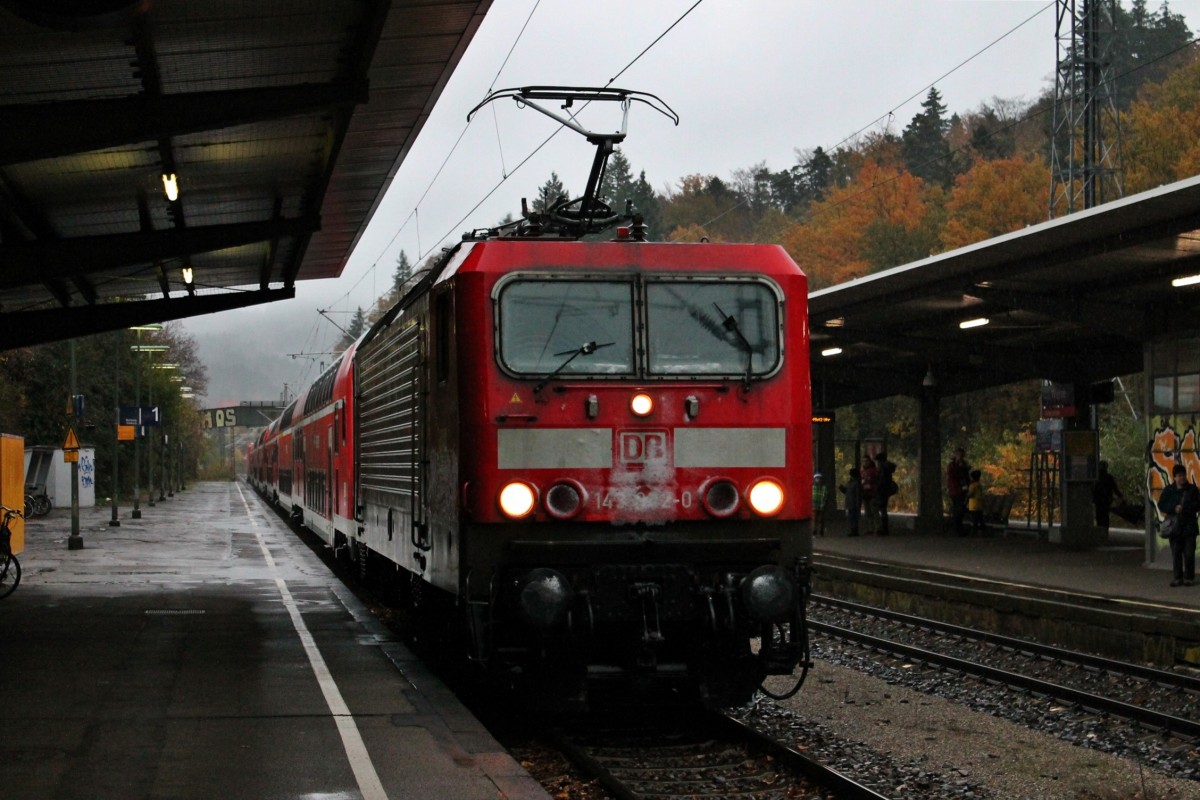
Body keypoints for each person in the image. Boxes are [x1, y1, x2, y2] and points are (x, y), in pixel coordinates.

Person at [1156, 464, 1199, 587]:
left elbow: (1198, 504)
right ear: (1174, 477)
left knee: (1189, 554)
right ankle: (1178, 577)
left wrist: (1185, 508)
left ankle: (1189, 577)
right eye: (1179, 476)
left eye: (1183, 475)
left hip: (1189, 527)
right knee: (1176, 554)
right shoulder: (1169, 490)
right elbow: (1161, 505)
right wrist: (1173, 508)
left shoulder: (1192, 490)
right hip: (1174, 528)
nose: (1182, 478)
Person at [1092, 460, 1125, 531]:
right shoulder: (1109, 477)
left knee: (1099, 516)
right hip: (1107, 500)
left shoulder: (1096, 477)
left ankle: (1099, 531)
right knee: (1105, 516)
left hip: (1098, 500)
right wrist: (1120, 496)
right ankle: (1105, 531)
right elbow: (1115, 488)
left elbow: (1093, 489)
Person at [947, 447, 970, 536]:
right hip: (954, 489)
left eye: (962, 455)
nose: (960, 457)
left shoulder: (963, 465)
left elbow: (965, 476)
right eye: (958, 455)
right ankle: (955, 528)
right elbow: (952, 475)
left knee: (961, 509)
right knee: (957, 508)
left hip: (962, 489)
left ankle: (959, 527)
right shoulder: (952, 465)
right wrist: (959, 468)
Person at [874, 450, 897, 536]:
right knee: (883, 509)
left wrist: (877, 487)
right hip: (886, 491)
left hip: (882, 491)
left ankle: (884, 528)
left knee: (881, 508)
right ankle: (884, 528)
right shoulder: (888, 468)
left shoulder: (883, 468)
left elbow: (881, 480)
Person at [839, 467, 862, 537]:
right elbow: (846, 491)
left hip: (853, 503)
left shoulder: (856, 483)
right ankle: (853, 530)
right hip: (850, 502)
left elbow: (858, 495)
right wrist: (841, 488)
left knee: (853, 518)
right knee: (851, 518)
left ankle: (854, 531)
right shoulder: (850, 482)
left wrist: (858, 505)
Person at [859, 455, 879, 535]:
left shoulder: (873, 471)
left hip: (872, 493)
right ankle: (870, 528)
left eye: (866, 461)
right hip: (865, 494)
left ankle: (878, 528)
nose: (865, 463)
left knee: (874, 511)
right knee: (867, 512)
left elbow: (876, 481)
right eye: (863, 461)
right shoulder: (862, 471)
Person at [967, 469, 984, 535]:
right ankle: (983, 529)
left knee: (974, 518)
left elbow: (970, 493)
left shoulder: (972, 485)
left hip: (973, 502)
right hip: (979, 503)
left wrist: (966, 498)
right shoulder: (979, 485)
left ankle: (974, 530)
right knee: (980, 517)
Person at [811, 471, 827, 537]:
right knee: (814, 519)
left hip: (821, 506)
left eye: (819, 478)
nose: (818, 480)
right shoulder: (812, 487)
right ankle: (814, 531)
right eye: (816, 478)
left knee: (821, 519)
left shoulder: (824, 487)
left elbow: (825, 496)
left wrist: (823, 503)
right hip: (814, 506)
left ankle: (821, 532)